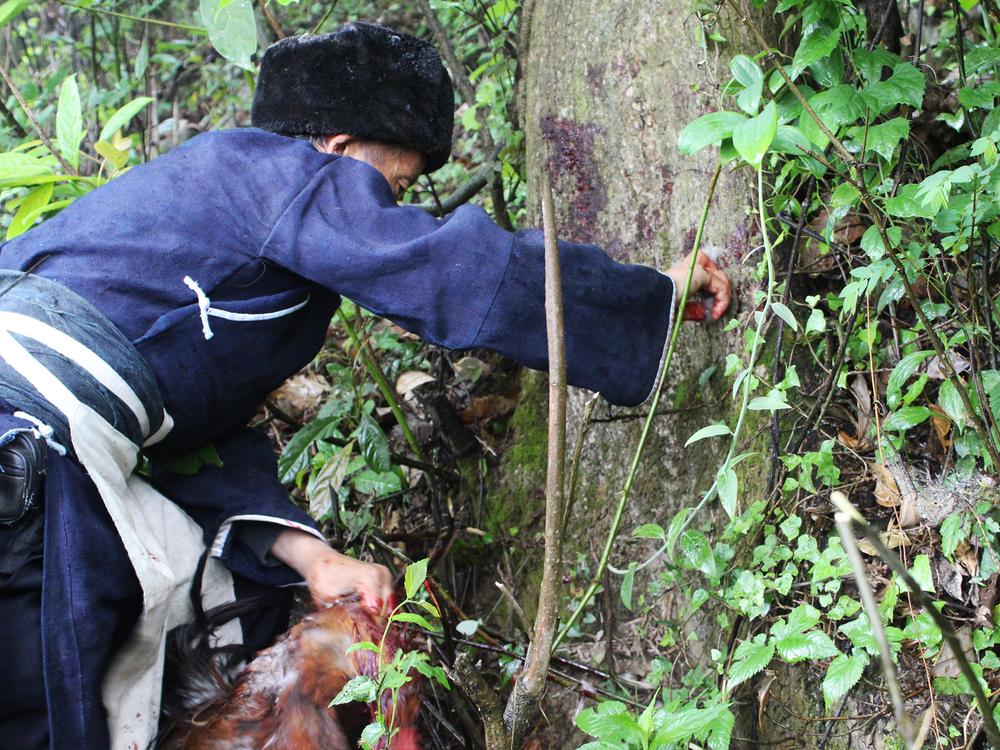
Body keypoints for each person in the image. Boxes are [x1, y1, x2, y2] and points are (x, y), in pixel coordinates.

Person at [0, 20, 731, 750]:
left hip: (57, 441)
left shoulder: (204, 204)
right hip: (29, 447)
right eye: (396, 184)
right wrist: (649, 295)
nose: (390, 206)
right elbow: (452, 269)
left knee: (228, 595)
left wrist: (315, 559)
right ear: (339, 149)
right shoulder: (280, 176)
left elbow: (202, 440)